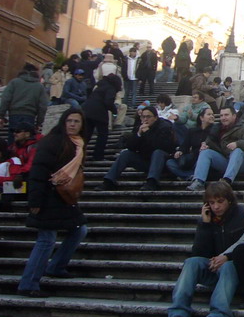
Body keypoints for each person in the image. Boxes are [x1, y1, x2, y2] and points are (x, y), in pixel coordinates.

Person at [16, 107, 88, 297]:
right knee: (46, 240)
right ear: (63, 122)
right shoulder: (53, 141)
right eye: (69, 121)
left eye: (76, 121)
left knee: (80, 229)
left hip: (65, 197)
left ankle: (56, 266)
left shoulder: (78, 143)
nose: (72, 124)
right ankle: (28, 283)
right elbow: (38, 171)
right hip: (48, 195)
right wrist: (35, 200)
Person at [167, 180, 244, 317]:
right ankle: (179, 313)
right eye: (211, 202)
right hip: (214, 268)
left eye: (220, 202)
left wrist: (227, 257)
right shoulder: (208, 219)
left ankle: (218, 316)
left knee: (228, 265)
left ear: (229, 200)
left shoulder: (242, 215)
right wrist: (205, 225)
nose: (216, 207)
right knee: (192, 262)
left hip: (237, 270)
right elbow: (199, 253)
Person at [101, 105, 177, 191]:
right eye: (143, 117)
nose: (145, 119)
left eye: (148, 117)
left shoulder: (164, 127)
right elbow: (131, 147)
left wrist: (148, 132)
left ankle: (152, 182)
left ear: (155, 118)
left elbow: (162, 146)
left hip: (162, 162)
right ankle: (109, 181)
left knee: (158, 152)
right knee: (126, 153)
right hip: (146, 161)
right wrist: (138, 135)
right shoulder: (140, 126)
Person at [186, 106, 244, 191]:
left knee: (237, 151)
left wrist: (238, 144)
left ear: (234, 116)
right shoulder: (217, 128)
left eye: (226, 115)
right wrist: (205, 145)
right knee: (205, 152)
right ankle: (199, 181)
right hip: (226, 160)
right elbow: (209, 141)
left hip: (243, 163)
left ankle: (226, 182)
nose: (223, 118)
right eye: (221, 115)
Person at [166, 105, 215, 181]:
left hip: (204, 159)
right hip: (191, 159)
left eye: (213, 114)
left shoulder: (215, 130)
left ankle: (189, 175)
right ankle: (190, 175)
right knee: (170, 163)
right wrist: (180, 151)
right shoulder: (192, 131)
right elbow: (185, 145)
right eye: (209, 114)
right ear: (201, 118)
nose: (212, 116)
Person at [81, 73, 122, 161]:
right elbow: (108, 102)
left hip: (87, 110)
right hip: (99, 113)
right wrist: (114, 111)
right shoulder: (111, 88)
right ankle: (98, 156)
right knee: (103, 135)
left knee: (86, 135)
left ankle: (79, 154)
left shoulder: (99, 86)